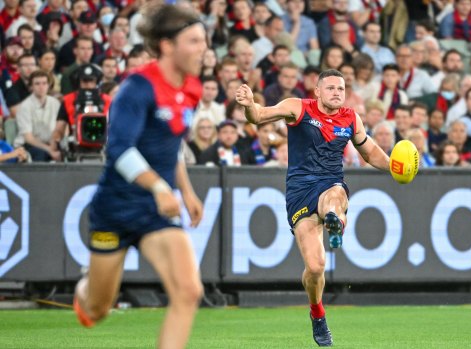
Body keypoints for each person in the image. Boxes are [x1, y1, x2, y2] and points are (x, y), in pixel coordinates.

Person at [72, 6, 207, 349]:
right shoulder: (136, 88)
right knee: (97, 309)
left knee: (189, 291)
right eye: (193, 41)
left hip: (154, 212)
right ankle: (85, 289)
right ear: (166, 45)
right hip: (115, 209)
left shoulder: (192, 87)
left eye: (204, 41)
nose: (202, 49)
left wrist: (186, 192)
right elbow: (119, 150)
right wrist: (161, 187)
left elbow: (170, 144)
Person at [235, 68, 391, 346]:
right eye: (330, 88)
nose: (336, 93)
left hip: (330, 183)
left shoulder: (351, 118)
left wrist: (393, 166)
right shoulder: (298, 108)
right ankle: (318, 313)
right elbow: (258, 116)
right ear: (317, 91)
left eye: (341, 89)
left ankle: (334, 219)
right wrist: (249, 106)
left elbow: (368, 151)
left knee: (334, 196)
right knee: (316, 267)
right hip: (299, 192)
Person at [14, 70, 61, 161]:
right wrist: (49, 149)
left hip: (50, 143)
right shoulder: (25, 106)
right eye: (37, 84)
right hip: (28, 145)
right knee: (41, 154)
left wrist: (53, 145)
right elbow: (29, 138)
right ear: (31, 87)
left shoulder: (55, 103)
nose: (41, 87)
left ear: (48, 85)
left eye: (44, 83)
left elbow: (60, 128)